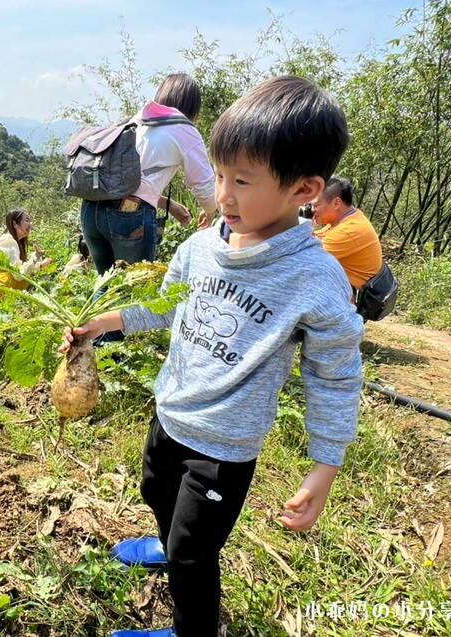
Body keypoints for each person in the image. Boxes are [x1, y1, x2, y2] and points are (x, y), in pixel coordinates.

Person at [60, 76, 364, 637]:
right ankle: (165, 542)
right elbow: (165, 305)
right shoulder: (203, 244)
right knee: (155, 489)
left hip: (223, 445)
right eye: (220, 175)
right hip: (170, 410)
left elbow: (335, 375)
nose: (222, 195)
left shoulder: (313, 277)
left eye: (242, 181)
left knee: (196, 556)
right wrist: (106, 323)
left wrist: (325, 464)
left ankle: (191, 630)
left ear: (304, 189)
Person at [80, 73, 218, 279]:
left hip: (90, 210)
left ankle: (96, 313)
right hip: (127, 216)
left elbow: (127, 183)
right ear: (192, 105)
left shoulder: (134, 121)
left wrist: (169, 205)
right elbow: (205, 188)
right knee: (136, 291)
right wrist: (210, 211)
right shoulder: (184, 129)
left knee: (105, 284)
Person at [311, 177, 382, 292]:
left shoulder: (350, 230)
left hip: (347, 301)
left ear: (336, 203)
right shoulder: (346, 219)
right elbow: (317, 238)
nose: (312, 210)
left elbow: (307, 257)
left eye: (316, 205)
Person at [0, 207, 51, 294]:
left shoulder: (5, 239)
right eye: (27, 220)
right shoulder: (10, 242)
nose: (30, 224)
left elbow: (17, 269)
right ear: (14, 224)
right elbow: (18, 275)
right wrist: (35, 258)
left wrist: (39, 265)